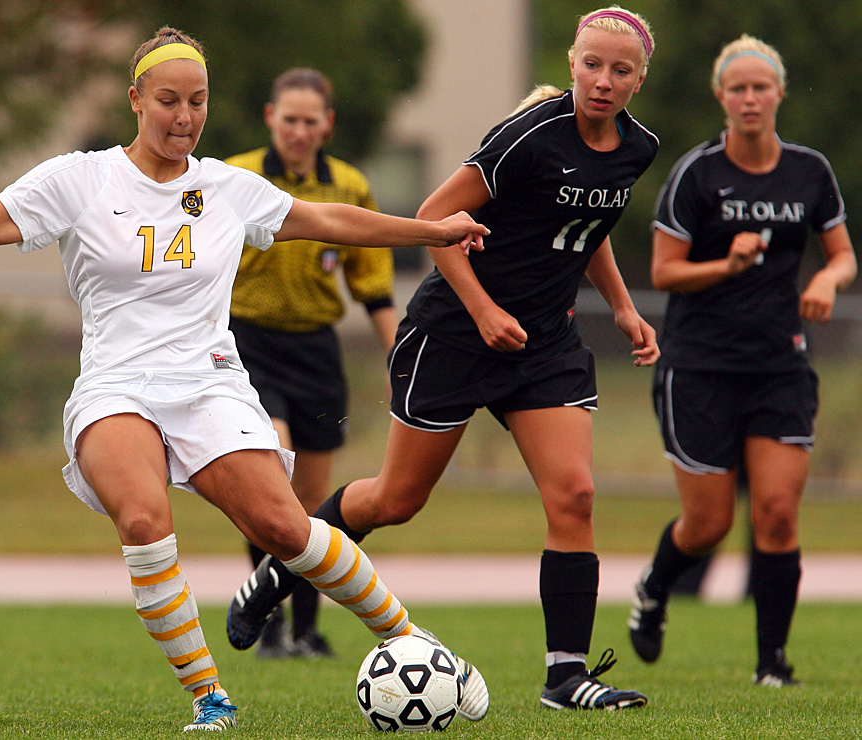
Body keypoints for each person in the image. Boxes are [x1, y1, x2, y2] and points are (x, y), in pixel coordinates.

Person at [0, 27, 490, 732]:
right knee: (142, 518)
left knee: (287, 528)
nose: (183, 117)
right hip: (115, 385)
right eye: (167, 101)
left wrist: (430, 232)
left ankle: (417, 643)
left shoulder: (225, 188)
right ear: (135, 100)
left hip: (209, 384)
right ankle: (210, 698)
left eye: (197, 102)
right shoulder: (80, 179)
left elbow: (328, 219)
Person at [227, 7, 660, 711]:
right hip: (457, 333)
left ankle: (565, 677)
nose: (602, 80)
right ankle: (281, 572)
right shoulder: (528, 137)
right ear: (571, 62)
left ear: (640, 79)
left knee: (575, 496)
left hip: (543, 345)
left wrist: (620, 306)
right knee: (396, 501)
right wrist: (485, 311)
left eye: (620, 70)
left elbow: (589, 227)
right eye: (590, 64)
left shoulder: (637, 148)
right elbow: (435, 222)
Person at [628, 34, 856, 687]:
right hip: (700, 366)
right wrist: (724, 264)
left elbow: (842, 255)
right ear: (721, 97)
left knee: (777, 513)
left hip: (779, 364)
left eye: (761, 86)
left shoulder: (810, 171)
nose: (750, 98)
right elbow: (665, 272)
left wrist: (825, 281)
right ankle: (653, 586)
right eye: (738, 87)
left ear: (779, 93)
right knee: (707, 523)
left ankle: (772, 665)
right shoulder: (697, 174)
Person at [224, 68, 396, 660]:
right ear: (271, 117)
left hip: (317, 350)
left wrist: (402, 358)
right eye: (289, 119)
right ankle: (267, 623)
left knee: (312, 504)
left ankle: (304, 628)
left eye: (310, 121)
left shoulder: (349, 186)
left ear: (328, 125)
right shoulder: (235, 177)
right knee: (271, 471)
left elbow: (373, 286)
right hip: (246, 346)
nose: (299, 131)